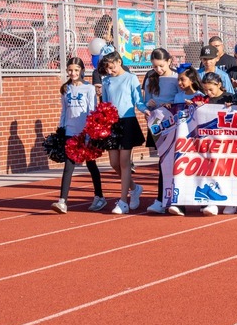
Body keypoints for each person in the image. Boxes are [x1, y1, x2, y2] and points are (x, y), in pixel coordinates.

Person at [51, 57, 106, 214]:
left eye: (76, 70)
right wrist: (61, 130)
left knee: (91, 165)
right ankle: (62, 201)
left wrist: (89, 133)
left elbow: (91, 110)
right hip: (70, 132)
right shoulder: (65, 89)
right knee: (69, 166)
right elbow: (64, 111)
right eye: (70, 70)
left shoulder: (88, 89)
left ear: (82, 70)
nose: (73, 73)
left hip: (84, 132)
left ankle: (99, 196)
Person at [98, 51, 145, 214]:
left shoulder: (131, 78)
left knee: (125, 162)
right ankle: (134, 187)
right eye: (107, 69)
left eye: (112, 67)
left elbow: (138, 100)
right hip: (111, 123)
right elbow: (104, 103)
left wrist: (146, 110)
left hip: (128, 121)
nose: (110, 71)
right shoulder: (107, 81)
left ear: (119, 62)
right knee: (114, 163)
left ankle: (123, 201)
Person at [141, 48, 180, 214]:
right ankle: (160, 199)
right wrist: (146, 108)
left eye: (161, 66)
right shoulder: (151, 78)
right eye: (155, 66)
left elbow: (181, 98)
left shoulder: (177, 77)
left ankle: (176, 200)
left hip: (174, 123)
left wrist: (172, 105)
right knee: (162, 162)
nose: (159, 69)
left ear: (169, 61)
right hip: (158, 124)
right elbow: (145, 102)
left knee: (176, 162)